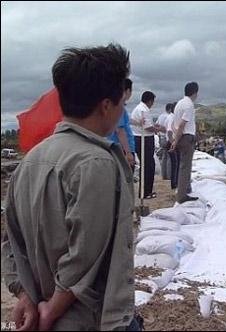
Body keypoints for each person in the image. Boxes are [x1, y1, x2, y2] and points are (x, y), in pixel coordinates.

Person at [1, 44, 138, 330]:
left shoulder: (30, 161)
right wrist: (54, 307)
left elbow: (11, 242)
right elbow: (85, 252)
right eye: (122, 104)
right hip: (91, 319)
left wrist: (24, 294)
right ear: (106, 105)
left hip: (43, 315)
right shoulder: (96, 162)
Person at [170, 82, 200, 203]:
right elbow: (182, 124)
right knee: (185, 167)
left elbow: (174, 124)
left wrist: (175, 138)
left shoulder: (179, 104)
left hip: (181, 136)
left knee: (184, 165)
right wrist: (176, 141)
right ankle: (182, 196)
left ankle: (185, 190)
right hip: (186, 138)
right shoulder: (189, 105)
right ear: (195, 92)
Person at [131, 91, 160, 199]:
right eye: (153, 102)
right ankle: (146, 192)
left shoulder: (138, 108)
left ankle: (144, 191)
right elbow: (147, 127)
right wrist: (158, 129)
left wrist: (153, 126)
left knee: (145, 165)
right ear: (150, 101)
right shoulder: (144, 110)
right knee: (148, 166)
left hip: (139, 137)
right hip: (145, 138)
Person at [106, 78, 136, 171]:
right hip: (121, 149)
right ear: (127, 91)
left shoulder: (114, 107)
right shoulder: (118, 108)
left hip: (116, 147)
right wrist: (128, 152)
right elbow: (120, 130)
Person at [156, 103, 173, 180]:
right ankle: (169, 175)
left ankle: (164, 175)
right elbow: (168, 129)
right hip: (167, 138)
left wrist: (159, 131)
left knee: (164, 156)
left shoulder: (161, 116)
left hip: (161, 138)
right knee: (170, 157)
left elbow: (156, 124)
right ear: (170, 109)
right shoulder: (168, 116)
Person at [165, 102, 179, 190]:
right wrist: (172, 144)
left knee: (175, 163)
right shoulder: (172, 118)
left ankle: (175, 182)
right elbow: (170, 132)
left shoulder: (170, 117)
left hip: (171, 142)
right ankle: (174, 183)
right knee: (175, 164)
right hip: (171, 142)